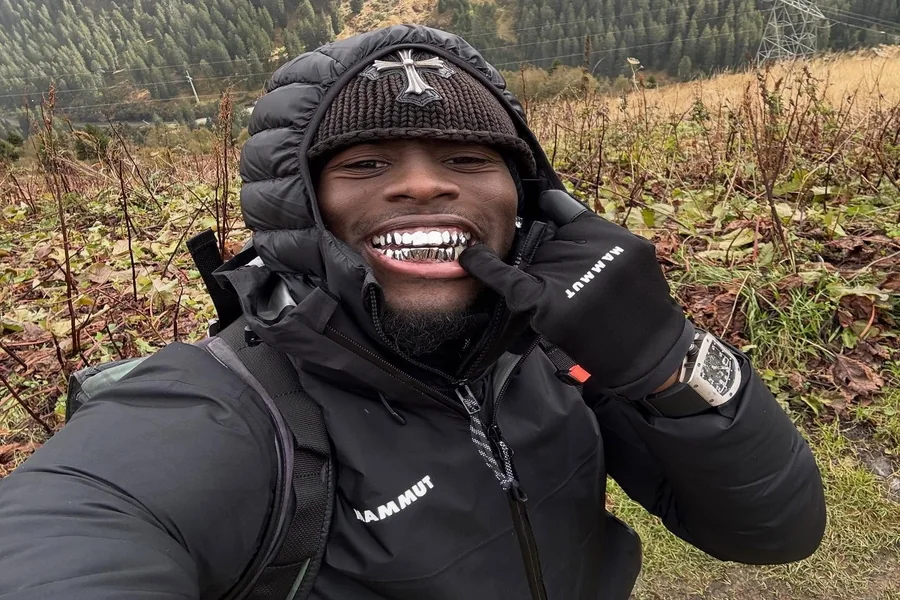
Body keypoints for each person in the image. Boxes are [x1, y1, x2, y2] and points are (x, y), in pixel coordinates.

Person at [0, 25, 825, 600]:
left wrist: (666, 357)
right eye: (366, 162)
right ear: (299, 206)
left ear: (529, 200)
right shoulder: (225, 407)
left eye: (469, 158)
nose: (425, 184)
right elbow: (75, 526)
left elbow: (777, 533)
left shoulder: (562, 353)